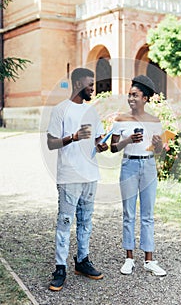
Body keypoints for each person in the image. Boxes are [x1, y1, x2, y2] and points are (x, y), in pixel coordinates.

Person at [47, 67, 108, 291]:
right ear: (77, 85)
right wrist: (72, 137)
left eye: (93, 84)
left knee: (86, 221)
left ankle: (82, 261)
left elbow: (99, 141)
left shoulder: (92, 111)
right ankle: (60, 267)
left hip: (91, 174)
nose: (93, 88)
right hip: (69, 176)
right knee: (65, 221)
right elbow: (51, 143)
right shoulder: (60, 110)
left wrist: (101, 145)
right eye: (89, 84)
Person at [110, 74, 166, 276]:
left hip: (149, 166)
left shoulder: (154, 120)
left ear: (145, 98)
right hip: (129, 166)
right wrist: (128, 141)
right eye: (129, 95)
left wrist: (159, 146)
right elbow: (113, 148)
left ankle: (149, 260)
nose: (131, 98)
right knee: (129, 214)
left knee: (148, 214)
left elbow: (158, 151)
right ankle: (129, 258)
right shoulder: (121, 120)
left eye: (135, 95)